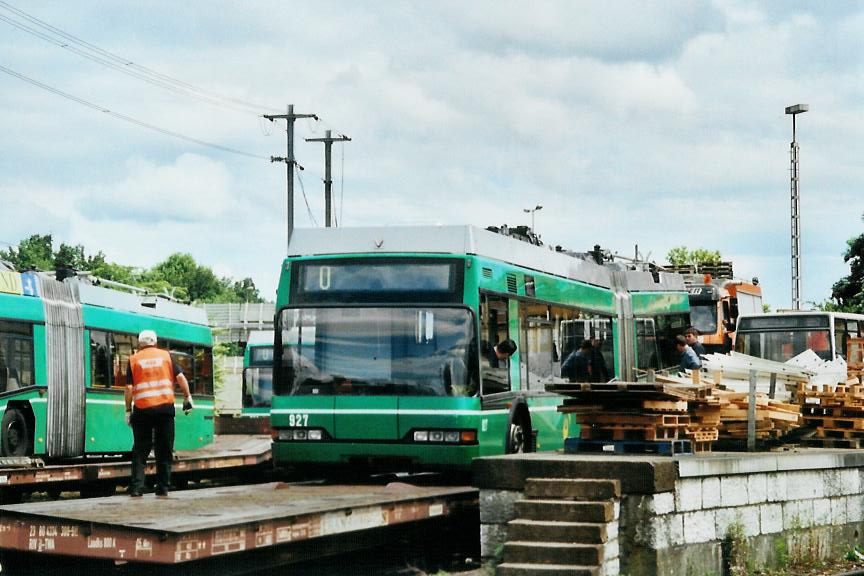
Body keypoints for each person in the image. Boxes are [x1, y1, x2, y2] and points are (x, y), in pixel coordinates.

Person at [125, 329, 193, 497]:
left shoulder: (133, 359)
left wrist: (127, 410)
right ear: (155, 342)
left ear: (140, 344)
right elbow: (181, 378)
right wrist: (187, 397)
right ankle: (162, 487)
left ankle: (136, 488)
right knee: (164, 449)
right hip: (165, 410)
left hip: (142, 410)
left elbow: (128, 388)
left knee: (140, 450)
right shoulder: (166, 356)